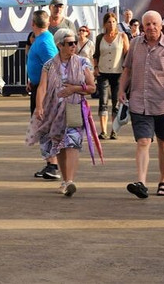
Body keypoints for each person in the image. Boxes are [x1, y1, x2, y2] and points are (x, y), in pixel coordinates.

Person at [119, 10, 164, 199]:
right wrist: (121, 90)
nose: (151, 27)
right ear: (143, 26)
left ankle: (163, 180)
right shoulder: (135, 44)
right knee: (143, 141)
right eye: (147, 24)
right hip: (139, 102)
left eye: (154, 23)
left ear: (161, 25)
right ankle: (141, 182)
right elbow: (127, 69)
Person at [26, 28, 97, 197]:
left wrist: (74, 88)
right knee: (60, 146)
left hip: (74, 108)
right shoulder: (49, 65)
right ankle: (65, 181)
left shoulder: (82, 63)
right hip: (53, 110)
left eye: (75, 43)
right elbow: (42, 87)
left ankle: (70, 181)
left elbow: (92, 87)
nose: (74, 46)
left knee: (72, 143)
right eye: (70, 43)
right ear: (59, 45)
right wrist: (40, 107)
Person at [26, 10, 62, 180]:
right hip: (38, 86)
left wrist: (44, 86)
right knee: (42, 127)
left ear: (33, 24)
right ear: (48, 23)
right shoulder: (42, 40)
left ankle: (53, 164)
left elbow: (54, 64)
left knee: (44, 126)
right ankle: (50, 162)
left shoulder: (44, 41)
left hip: (44, 91)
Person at [93, 12, 129, 140]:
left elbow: (127, 55)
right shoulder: (99, 38)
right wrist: (96, 68)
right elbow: (96, 55)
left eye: (114, 22)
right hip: (103, 73)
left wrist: (127, 71)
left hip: (118, 73)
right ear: (105, 24)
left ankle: (114, 130)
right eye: (109, 22)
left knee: (116, 102)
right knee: (103, 102)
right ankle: (103, 131)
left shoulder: (122, 36)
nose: (112, 24)